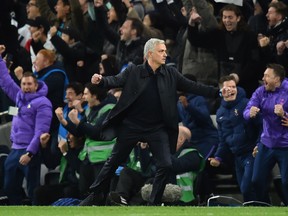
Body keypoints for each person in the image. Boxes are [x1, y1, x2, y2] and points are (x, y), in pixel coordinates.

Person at [79, 38, 219, 206]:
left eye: (165, 51)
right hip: (132, 126)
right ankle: (94, 196)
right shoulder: (133, 71)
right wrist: (101, 81)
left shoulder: (171, 74)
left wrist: (217, 92)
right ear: (150, 54)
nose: (165, 54)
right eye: (161, 51)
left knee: (166, 164)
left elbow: (193, 87)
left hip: (157, 128)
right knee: (112, 162)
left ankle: (154, 203)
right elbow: (115, 80)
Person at [0, 45, 52, 205]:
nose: (26, 87)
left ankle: (34, 211)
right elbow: (5, 81)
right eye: (23, 84)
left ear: (36, 86)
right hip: (15, 149)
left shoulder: (43, 103)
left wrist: (29, 153)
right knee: (9, 187)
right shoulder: (19, 97)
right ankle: (18, 209)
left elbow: (41, 130)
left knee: (33, 189)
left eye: (29, 84)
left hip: (30, 150)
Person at [208, 75, 262, 202]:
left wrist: (259, 144)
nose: (232, 90)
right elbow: (222, 139)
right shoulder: (220, 112)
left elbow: (261, 126)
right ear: (221, 91)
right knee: (246, 190)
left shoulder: (246, 104)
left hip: (251, 153)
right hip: (236, 156)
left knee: (246, 188)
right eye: (228, 87)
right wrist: (218, 157)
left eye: (234, 87)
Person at [243, 63, 288, 205]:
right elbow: (246, 110)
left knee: (287, 182)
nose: (263, 79)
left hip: (286, 145)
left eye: (267, 76)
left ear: (277, 79)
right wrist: (249, 113)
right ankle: (266, 206)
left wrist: (285, 114)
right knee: (256, 180)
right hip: (266, 143)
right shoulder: (260, 92)